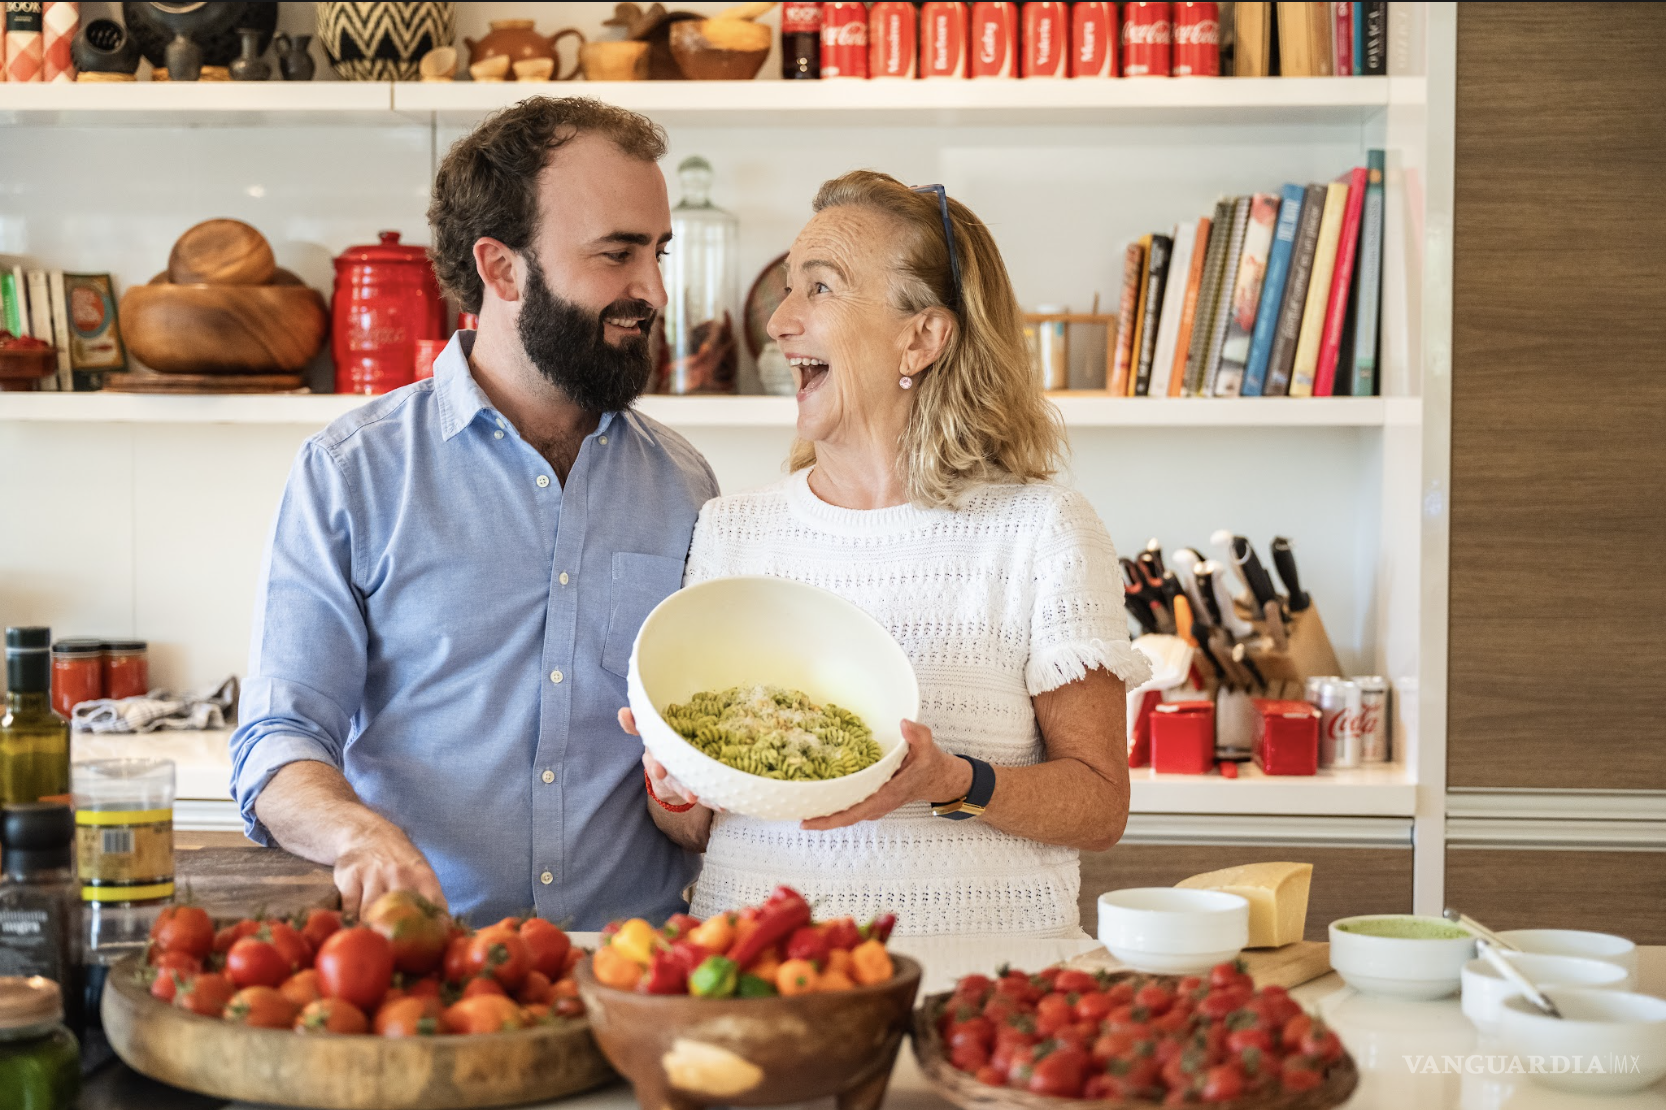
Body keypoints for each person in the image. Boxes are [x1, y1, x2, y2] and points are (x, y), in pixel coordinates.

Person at [230, 98, 718, 927]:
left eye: (658, 253)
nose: (654, 291)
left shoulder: (686, 487)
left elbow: (701, 767)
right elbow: (278, 741)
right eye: (617, 255)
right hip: (432, 973)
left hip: (634, 975)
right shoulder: (355, 474)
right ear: (501, 270)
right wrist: (357, 836)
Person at [633, 171, 1152, 937]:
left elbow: (1100, 806)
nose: (778, 322)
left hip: (982, 991)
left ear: (922, 336)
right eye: (786, 289)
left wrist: (949, 781)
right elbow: (690, 826)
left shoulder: (1041, 528)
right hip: (762, 981)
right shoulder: (730, 530)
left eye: (820, 288)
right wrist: (676, 777)